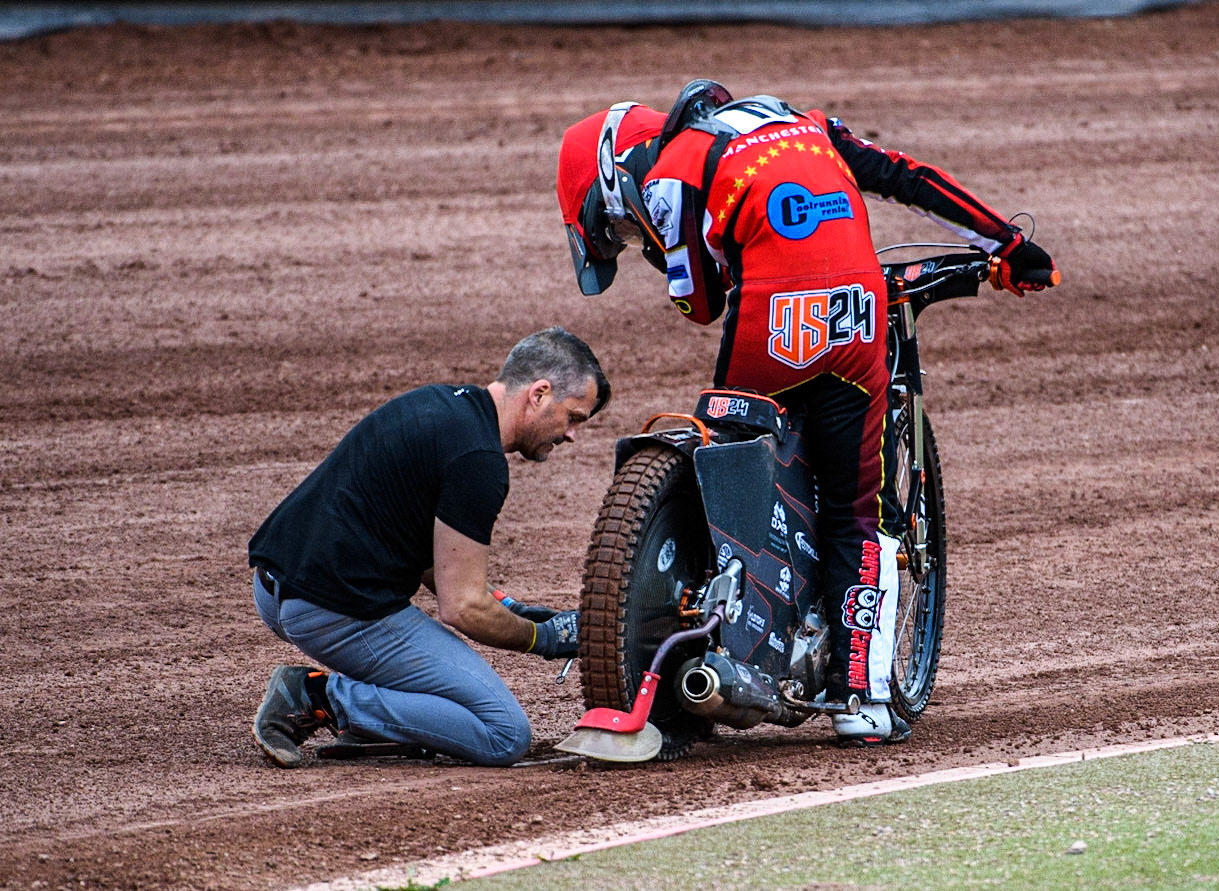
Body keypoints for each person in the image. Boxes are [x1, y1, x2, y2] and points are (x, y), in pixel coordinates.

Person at [556, 81, 1057, 747]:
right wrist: (1006, 242)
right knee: (857, 508)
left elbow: (699, 304)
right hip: (856, 321)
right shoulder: (808, 123)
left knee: (730, 453)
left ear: (610, 179)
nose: (626, 233)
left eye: (615, 228)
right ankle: (865, 698)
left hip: (770, 324)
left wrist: (662, 249)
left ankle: (727, 622)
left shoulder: (669, 170)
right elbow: (907, 177)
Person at [249, 326, 610, 767]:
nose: (571, 434)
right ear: (538, 393)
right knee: (503, 733)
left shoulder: (441, 404)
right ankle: (318, 697)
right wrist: (543, 637)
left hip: (273, 588)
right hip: (329, 610)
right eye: (573, 417)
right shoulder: (479, 462)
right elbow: (462, 607)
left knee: (441, 677)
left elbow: (423, 558)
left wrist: (511, 606)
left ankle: (381, 723)